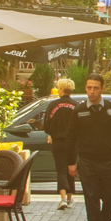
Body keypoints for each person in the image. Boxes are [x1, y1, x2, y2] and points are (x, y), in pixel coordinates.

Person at [73, 74, 111, 221]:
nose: (92, 92)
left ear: (102, 89)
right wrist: (71, 162)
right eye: (89, 88)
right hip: (87, 161)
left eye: (95, 88)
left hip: (109, 161)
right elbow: (71, 138)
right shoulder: (79, 111)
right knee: (91, 197)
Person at [44, 78, 82, 210]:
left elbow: (47, 125)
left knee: (60, 169)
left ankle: (63, 198)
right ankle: (70, 198)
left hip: (58, 142)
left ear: (61, 89)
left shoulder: (53, 105)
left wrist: (52, 133)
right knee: (70, 169)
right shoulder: (77, 106)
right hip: (72, 144)